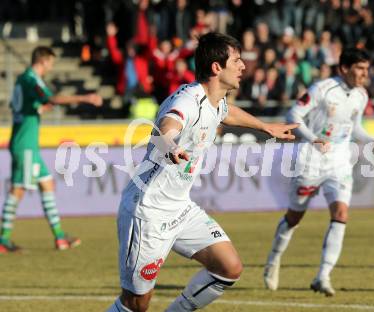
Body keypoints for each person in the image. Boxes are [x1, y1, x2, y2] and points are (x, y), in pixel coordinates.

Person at [107, 32, 297, 312]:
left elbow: (226, 112)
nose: (243, 66)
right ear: (216, 67)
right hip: (148, 212)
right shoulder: (187, 100)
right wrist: (170, 146)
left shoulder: (215, 101)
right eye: (237, 60)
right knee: (136, 304)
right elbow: (162, 128)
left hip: (181, 209)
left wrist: (265, 127)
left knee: (229, 267)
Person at [263, 48, 374, 296]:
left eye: (366, 68)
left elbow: (355, 128)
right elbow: (293, 114)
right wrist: (312, 139)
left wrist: (373, 140)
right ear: (344, 69)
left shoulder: (361, 95)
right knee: (294, 217)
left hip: (339, 161)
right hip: (311, 159)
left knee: (341, 213)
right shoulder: (322, 89)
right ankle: (273, 260)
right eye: (359, 68)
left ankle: (323, 276)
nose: (365, 73)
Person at [0, 46, 103, 254]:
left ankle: (59, 237)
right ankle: (3, 238)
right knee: (17, 190)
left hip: (25, 142)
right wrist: (85, 98)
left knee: (47, 184)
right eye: (50, 63)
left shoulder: (22, 80)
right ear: (44, 61)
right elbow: (51, 99)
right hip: (25, 144)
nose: (50, 68)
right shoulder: (32, 79)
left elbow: (25, 106)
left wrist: (42, 107)